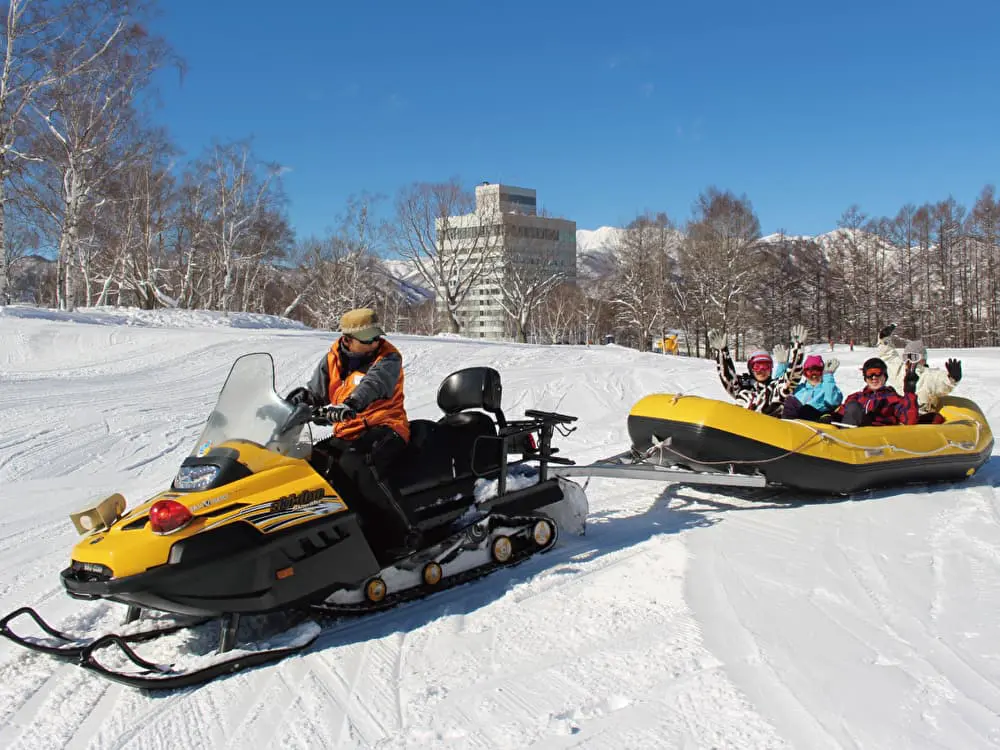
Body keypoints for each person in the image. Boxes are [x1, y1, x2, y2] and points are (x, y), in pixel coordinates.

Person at [285, 307, 418, 564]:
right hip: (348, 431)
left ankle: (405, 532)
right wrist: (296, 402)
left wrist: (351, 405)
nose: (375, 342)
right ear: (347, 339)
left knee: (360, 463)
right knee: (313, 463)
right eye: (367, 338)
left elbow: (374, 385)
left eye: (376, 336)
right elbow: (316, 393)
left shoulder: (388, 358)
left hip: (386, 425)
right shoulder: (332, 360)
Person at [707, 325, 807, 417]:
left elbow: (792, 378)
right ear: (751, 368)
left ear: (771, 368)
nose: (761, 370)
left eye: (765, 366)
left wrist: (797, 348)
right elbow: (727, 378)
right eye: (757, 366)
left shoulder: (775, 388)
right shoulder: (743, 387)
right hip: (741, 430)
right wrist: (722, 352)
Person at [876, 323, 962, 421]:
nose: (910, 361)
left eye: (914, 357)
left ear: (923, 359)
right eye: (906, 357)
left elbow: (942, 382)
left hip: (920, 417)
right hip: (900, 415)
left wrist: (952, 378)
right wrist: (884, 340)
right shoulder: (899, 370)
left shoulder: (929, 375)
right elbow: (888, 356)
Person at [833, 356, 919, 427]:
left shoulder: (893, 399)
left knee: (854, 407)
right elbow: (840, 416)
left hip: (878, 439)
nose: (874, 377)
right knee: (853, 406)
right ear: (865, 378)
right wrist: (829, 416)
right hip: (851, 437)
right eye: (870, 374)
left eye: (878, 373)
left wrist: (909, 392)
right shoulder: (856, 397)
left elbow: (909, 421)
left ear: (885, 376)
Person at [776, 354, 843, 422]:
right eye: (810, 372)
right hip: (796, 424)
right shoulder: (799, 389)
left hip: (820, 422)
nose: (814, 376)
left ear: (822, 372)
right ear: (805, 374)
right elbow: (779, 391)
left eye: (817, 371)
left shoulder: (829, 387)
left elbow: (832, 402)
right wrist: (782, 366)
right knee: (789, 401)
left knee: (807, 409)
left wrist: (828, 376)